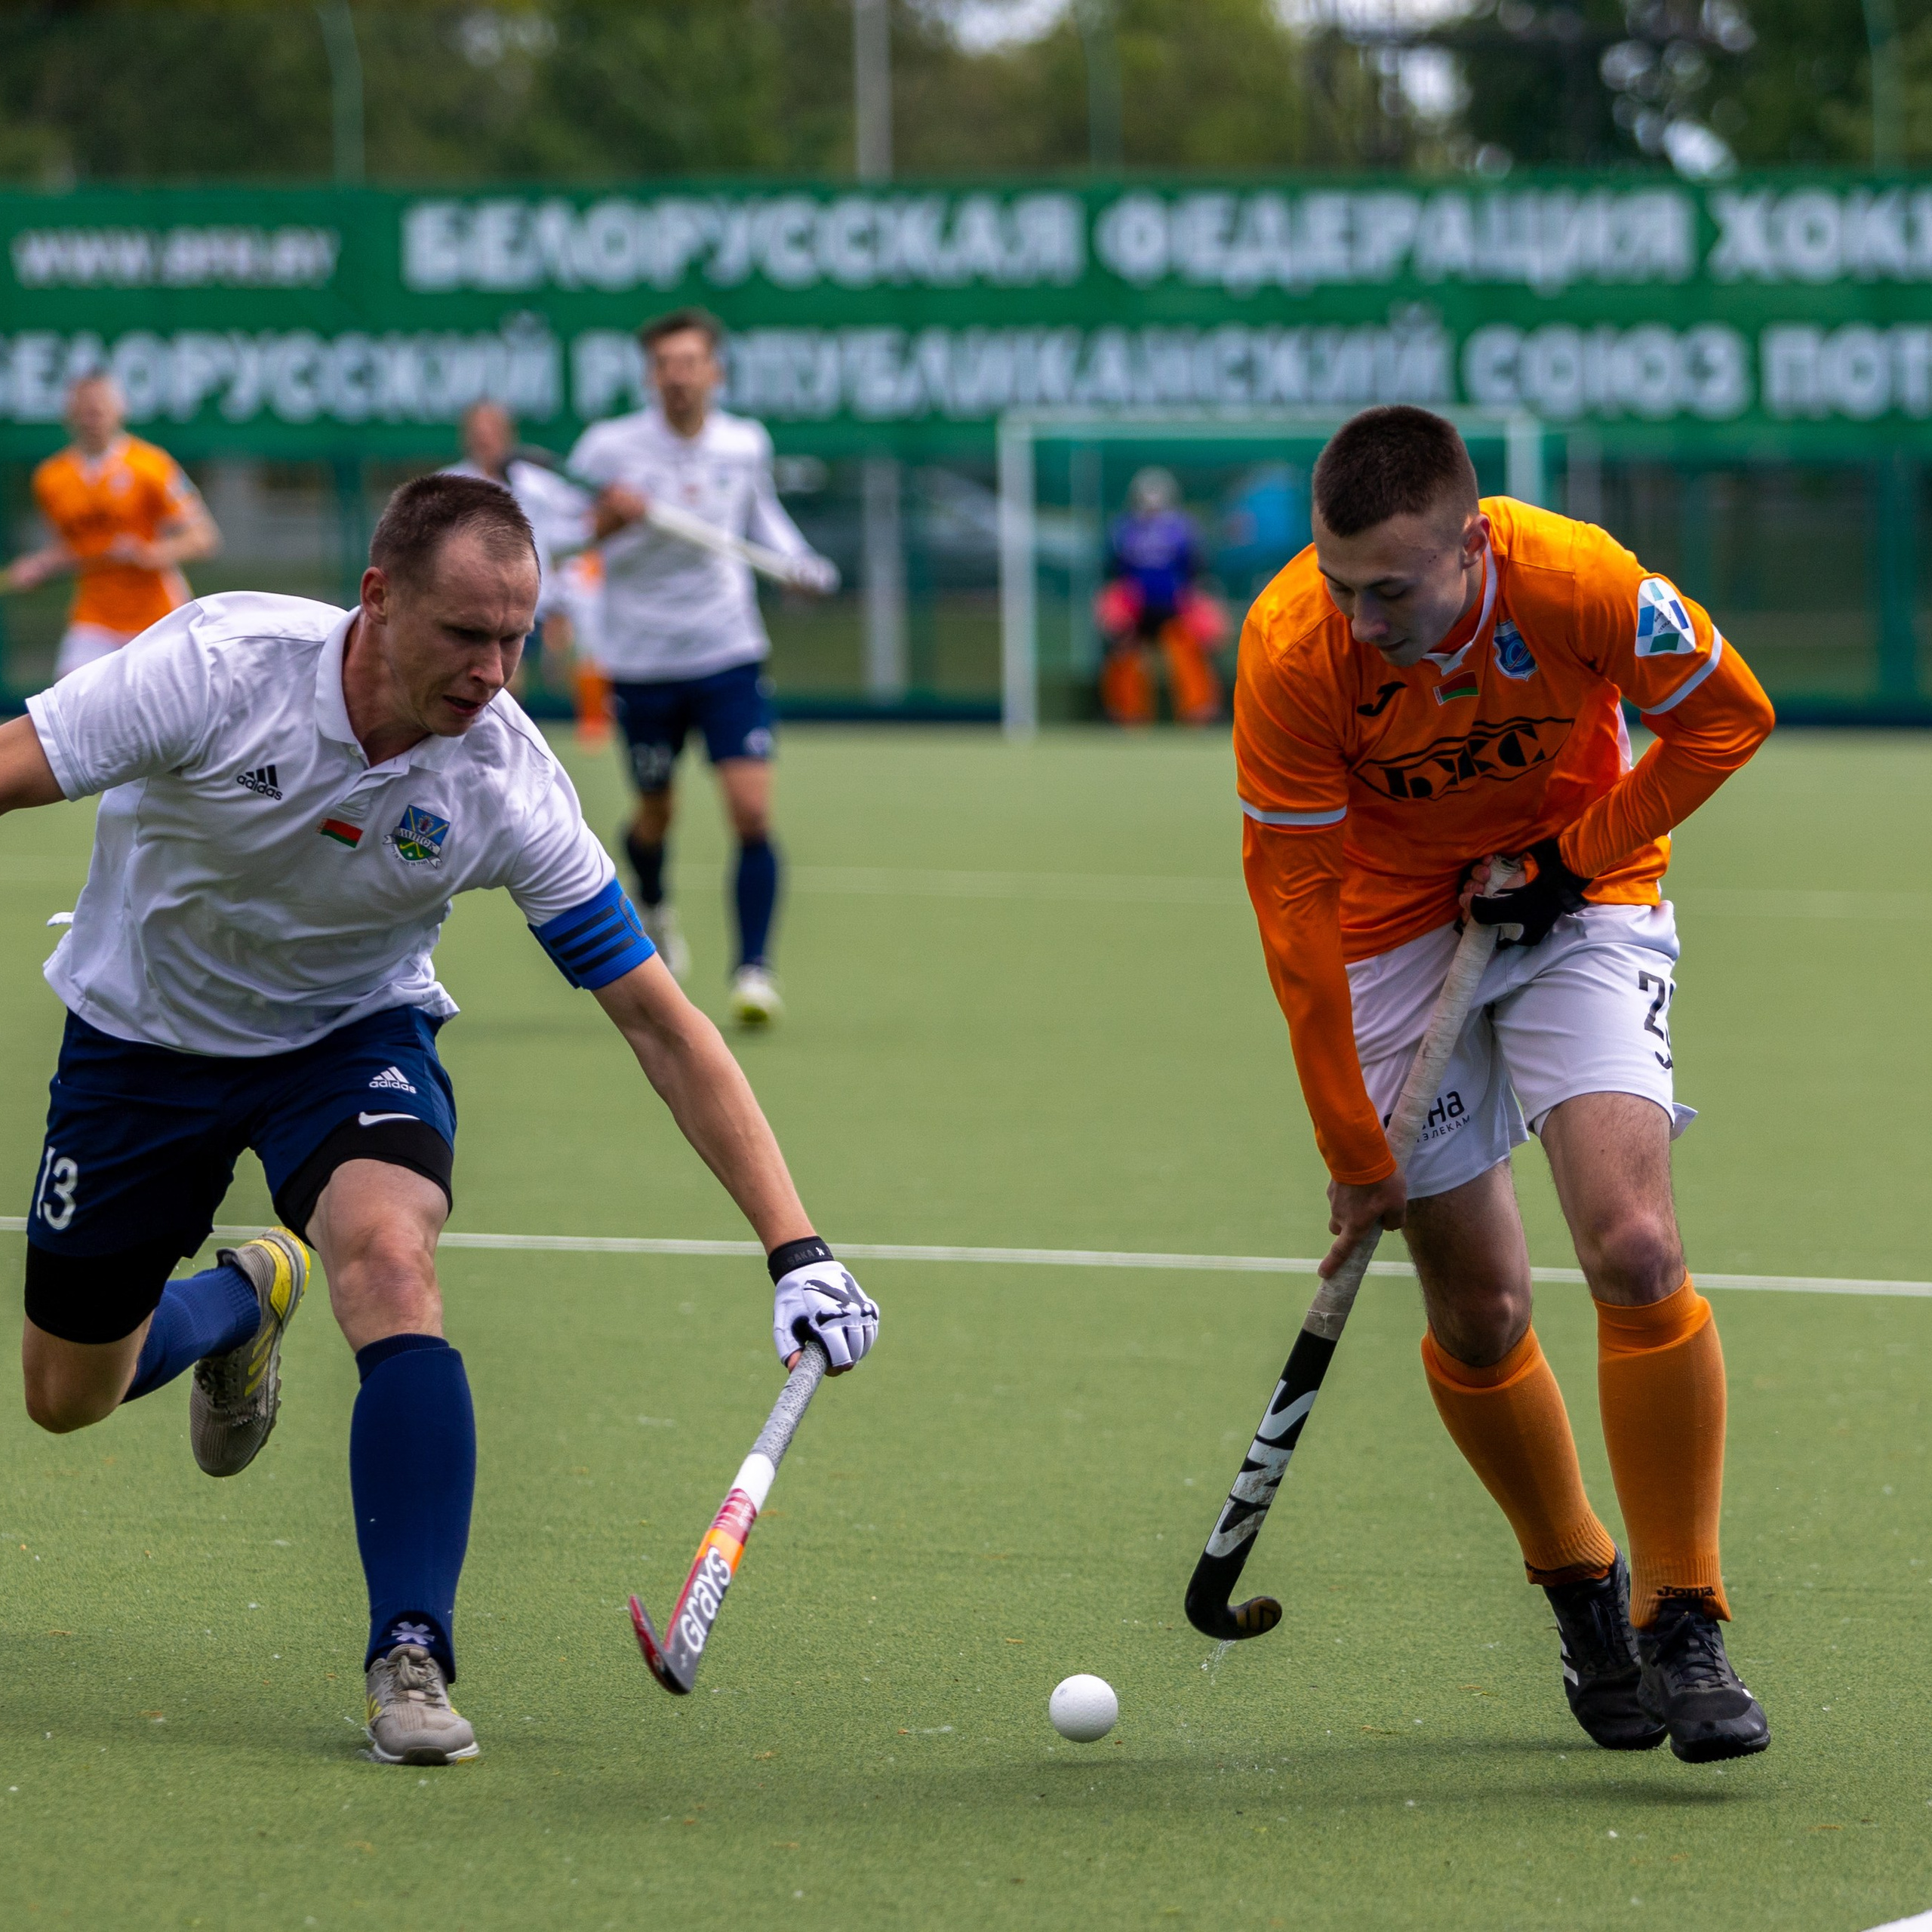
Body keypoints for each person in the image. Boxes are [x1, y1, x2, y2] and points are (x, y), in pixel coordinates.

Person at [1, 473, 878, 1767]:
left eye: (517, 635)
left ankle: (409, 1652)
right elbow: (14, 765)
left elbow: (659, 1022)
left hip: (348, 1038)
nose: (496, 668)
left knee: (393, 1262)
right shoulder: (219, 667)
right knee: (70, 1394)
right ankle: (246, 1298)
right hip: (142, 1041)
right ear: (378, 600)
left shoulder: (505, 778)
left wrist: (795, 1245)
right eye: (468, 633)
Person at [1234, 405, 1776, 1764]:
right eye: (1341, 585)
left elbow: (1728, 719)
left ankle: (1684, 1612)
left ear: (1471, 546)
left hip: (1579, 888)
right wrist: (1351, 1145)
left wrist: (1577, 854)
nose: (1362, 621)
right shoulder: (1290, 649)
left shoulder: (1580, 579)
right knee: (1479, 1310)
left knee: (1637, 1246)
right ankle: (1579, 1584)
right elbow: (1293, 908)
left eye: (1393, 592)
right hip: (1387, 927)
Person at [568, 308, 837, 1028]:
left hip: (728, 652)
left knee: (751, 811)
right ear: (649, 375)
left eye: (691, 363)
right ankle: (653, 903)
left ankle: (754, 971)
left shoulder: (743, 443)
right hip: (643, 660)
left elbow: (762, 519)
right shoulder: (608, 449)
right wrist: (606, 523)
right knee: (654, 816)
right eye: (664, 364)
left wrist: (795, 562)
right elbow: (558, 535)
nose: (678, 377)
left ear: (715, 371)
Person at [1, 372, 220, 679]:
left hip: (156, 616)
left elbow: (204, 538)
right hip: (95, 617)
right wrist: (40, 565)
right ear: (69, 414)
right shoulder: (51, 478)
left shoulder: (151, 465)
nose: (92, 418)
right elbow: (73, 550)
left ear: (120, 410)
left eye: (100, 409)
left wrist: (151, 552)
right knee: (69, 706)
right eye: (85, 411)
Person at [1094, 466, 1226, 727]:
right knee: (1124, 657)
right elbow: (1112, 573)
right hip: (1135, 610)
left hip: (1175, 608)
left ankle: (1199, 715)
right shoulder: (1123, 529)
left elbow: (1197, 570)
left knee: (1189, 654)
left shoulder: (1183, 529)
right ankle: (1126, 717)